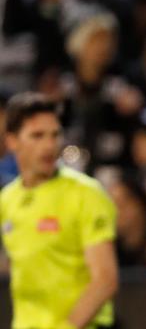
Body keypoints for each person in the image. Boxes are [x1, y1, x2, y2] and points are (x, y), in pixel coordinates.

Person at [0, 92, 118, 328]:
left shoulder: (87, 193)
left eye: (55, 135)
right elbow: (21, 261)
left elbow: (105, 280)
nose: (49, 145)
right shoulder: (7, 199)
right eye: (37, 135)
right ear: (12, 141)